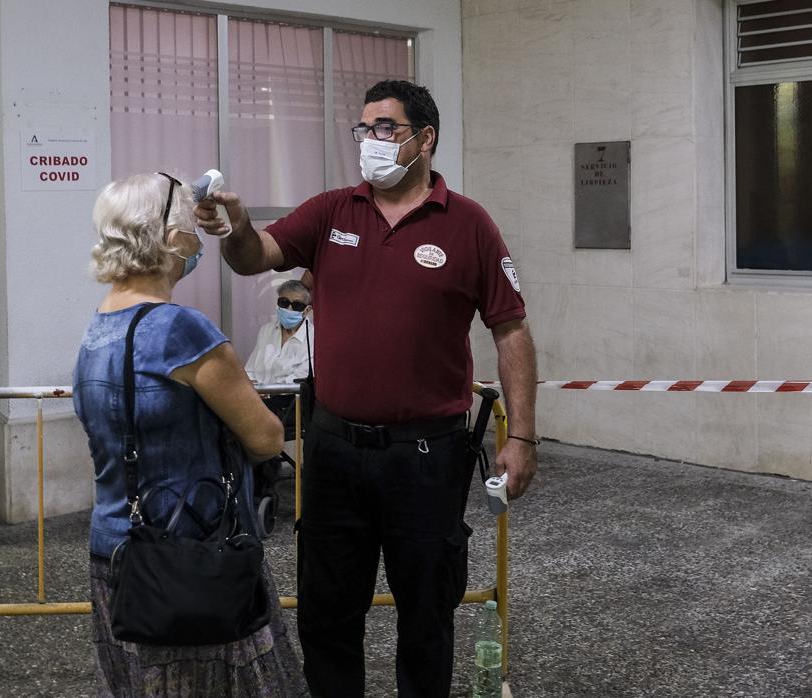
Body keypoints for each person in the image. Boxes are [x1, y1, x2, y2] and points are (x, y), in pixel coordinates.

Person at [195, 80, 539, 698]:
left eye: (385, 128)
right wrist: (237, 227)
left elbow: (510, 330)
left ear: (424, 139)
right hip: (334, 453)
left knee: (427, 615)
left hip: (428, 456)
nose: (370, 141)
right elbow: (255, 257)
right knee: (329, 615)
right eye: (364, 129)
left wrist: (522, 435)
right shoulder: (333, 211)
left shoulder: (469, 225)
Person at [73, 173, 307, 697]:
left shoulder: (97, 328)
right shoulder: (180, 329)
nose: (197, 238)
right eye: (189, 223)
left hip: (116, 551)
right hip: (193, 554)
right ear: (170, 238)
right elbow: (267, 437)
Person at [244, 279, 314, 387]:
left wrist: (267, 389)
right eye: (284, 303)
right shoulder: (266, 330)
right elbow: (250, 370)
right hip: (257, 397)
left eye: (297, 305)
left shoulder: (314, 337)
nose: (289, 309)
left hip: (290, 400)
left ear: (307, 310)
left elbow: (301, 377)